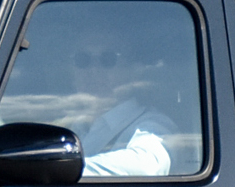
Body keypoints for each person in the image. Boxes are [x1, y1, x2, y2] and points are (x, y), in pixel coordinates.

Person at [70, 33, 176, 177]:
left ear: (132, 71)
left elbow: (147, 167)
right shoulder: (75, 127)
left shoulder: (152, 124)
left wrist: (64, 170)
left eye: (108, 59)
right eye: (83, 60)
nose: (93, 70)